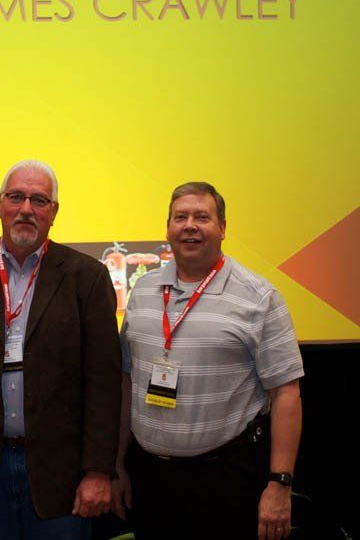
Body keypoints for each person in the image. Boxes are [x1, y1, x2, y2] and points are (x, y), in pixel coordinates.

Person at [0, 160, 121, 539]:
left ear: (54, 212)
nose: (26, 209)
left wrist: (97, 471)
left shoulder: (86, 277)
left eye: (39, 200)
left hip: (61, 476)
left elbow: (103, 384)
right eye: (16, 197)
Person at [112, 182, 304, 540]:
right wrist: (118, 465)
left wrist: (280, 484)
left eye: (202, 217)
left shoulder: (259, 297)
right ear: (167, 227)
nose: (190, 225)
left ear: (223, 228)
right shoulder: (143, 291)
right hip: (151, 482)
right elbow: (127, 381)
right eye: (180, 217)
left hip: (226, 480)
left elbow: (286, 393)